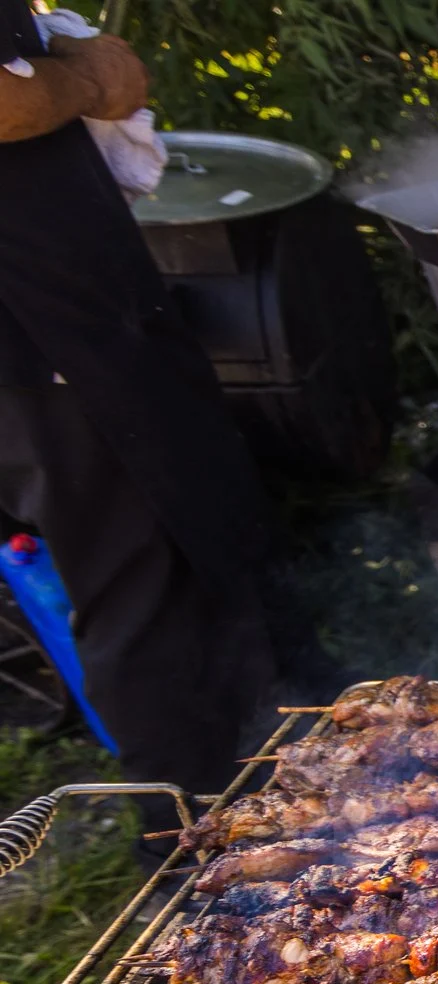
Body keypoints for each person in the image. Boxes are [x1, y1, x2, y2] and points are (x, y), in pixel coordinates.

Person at [0, 0, 274, 796]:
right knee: (137, 583)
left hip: (79, 307)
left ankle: (285, 772)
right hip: (39, 334)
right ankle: (185, 845)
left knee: (199, 539)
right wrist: (88, 76)